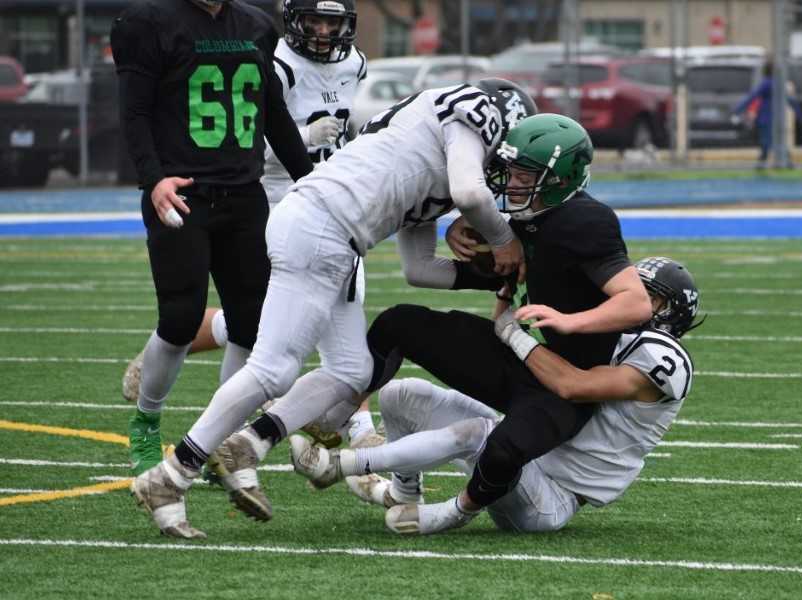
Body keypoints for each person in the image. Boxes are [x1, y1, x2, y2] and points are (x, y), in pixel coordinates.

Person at [130, 78, 537, 538]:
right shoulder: (472, 109)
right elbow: (472, 194)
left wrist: (488, 276)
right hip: (321, 227)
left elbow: (420, 269)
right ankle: (173, 474)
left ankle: (251, 441)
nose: (505, 171)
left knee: (352, 369)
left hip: (333, 237)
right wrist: (505, 241)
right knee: (272, 370)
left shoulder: (428, 156)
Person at [287, 113, 654, 533]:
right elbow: (487, 257)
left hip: (564, 384)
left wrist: (571, 320)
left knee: (500, 452)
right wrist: (458, 232)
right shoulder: (528, 215)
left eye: (525, 174)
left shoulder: (586, 221)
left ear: (560, 179)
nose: (512, 182)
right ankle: (335, 418)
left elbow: (635, 302)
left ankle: (453, 512)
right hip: (518, 355)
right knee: (399, 323)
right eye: (510, 170)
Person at [118, 0, 372, 449]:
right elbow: (135, 112)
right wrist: (153, 180)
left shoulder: (255, 25)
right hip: (183, 190)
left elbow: (272, 113)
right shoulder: (148, 22)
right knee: (179, 319)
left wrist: (315, 188)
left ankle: (220, 436)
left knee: (252, 328)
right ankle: (146, 423)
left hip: (243, 193)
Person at [291, 256, 700, 534]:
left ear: (672, 311)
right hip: (527, 450)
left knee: (480, 433)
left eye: (651, 297)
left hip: (551, 497)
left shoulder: (663, 359)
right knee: (400, 395)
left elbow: (573, 385)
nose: (633, 300)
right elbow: (510, 346)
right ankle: (403, 489)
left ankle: (342, 465)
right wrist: (507, 299)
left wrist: (518, 338)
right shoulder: (608, 332)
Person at [732, 60, 802, 170]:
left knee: (768, 141)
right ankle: (779, 163)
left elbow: (752, 96)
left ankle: (780, 163)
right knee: (774, 141)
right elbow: (790, 100)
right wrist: (800, 115)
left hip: (766, 118)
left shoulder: (766, 83)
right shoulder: (779, 83)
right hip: (777, 118)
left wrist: (738, 109)